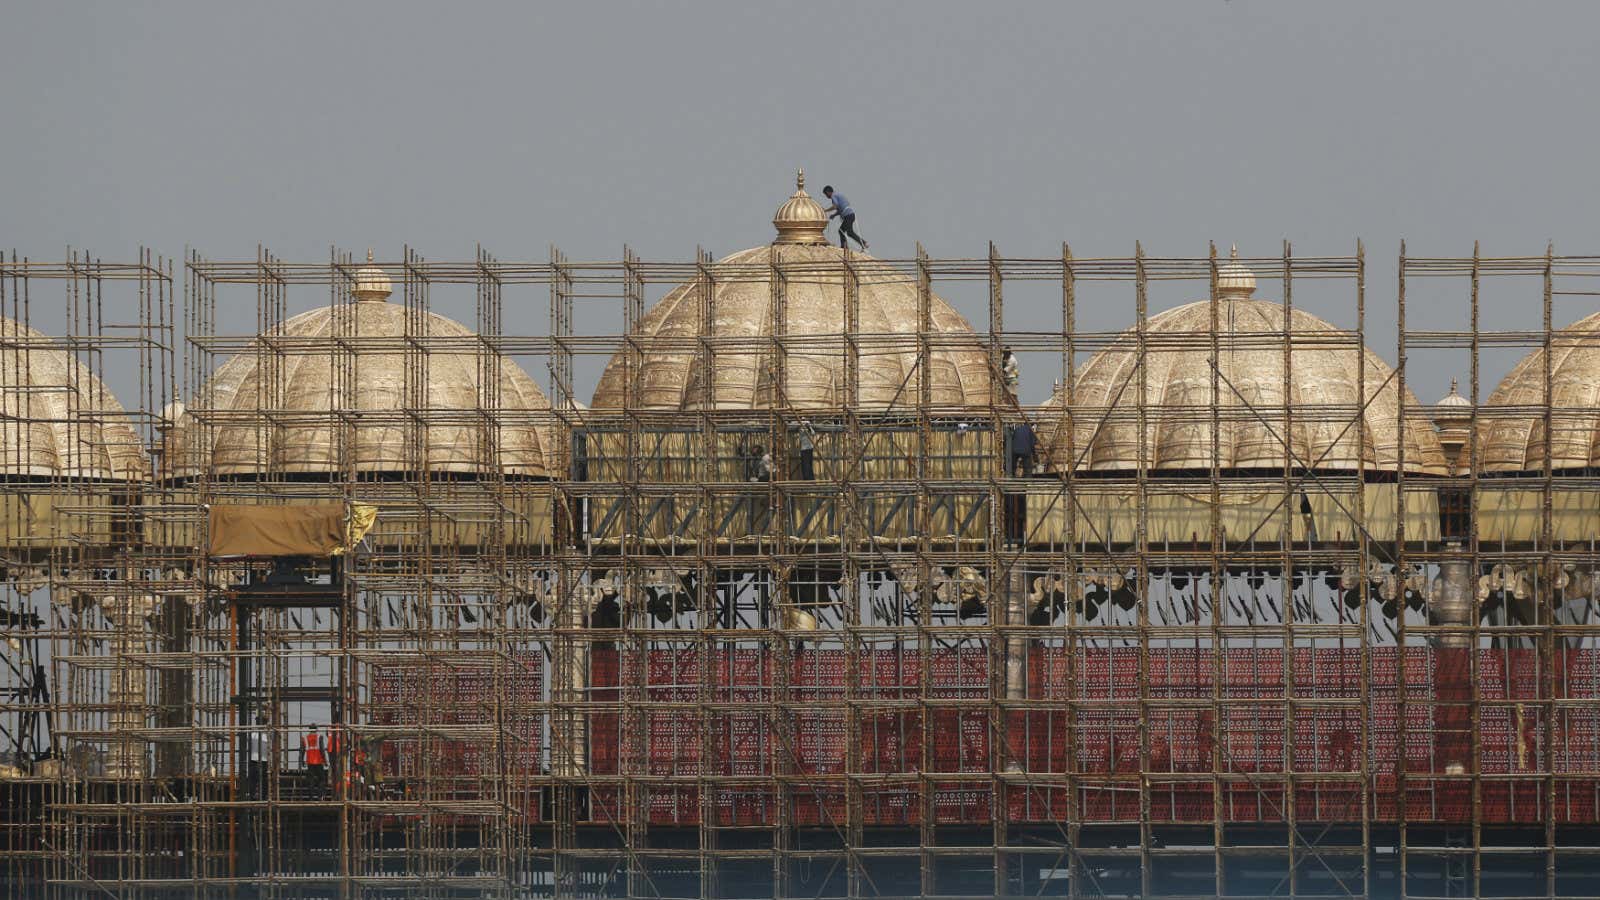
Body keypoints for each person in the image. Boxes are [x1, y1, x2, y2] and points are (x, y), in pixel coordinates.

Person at [821, 186, 867, 251]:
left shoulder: (833, 196)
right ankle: (844, 246)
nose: (826, 196)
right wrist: (834, 215)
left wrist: (826, 210)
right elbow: (841, 209)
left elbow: (835, 206)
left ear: (828, 192)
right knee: (841, 231)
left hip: (848, 216)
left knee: (849, 232)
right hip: (850, 215)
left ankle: (863, 243)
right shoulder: (838, 195)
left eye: (826, 194)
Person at [247, 716, 270, 800]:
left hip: (253, 760)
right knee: (264, 780)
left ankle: (252, 797)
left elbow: (249, 745)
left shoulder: (252, 734)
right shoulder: (268, 735)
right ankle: (263, 797)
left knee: (253, 780)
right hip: (264, 761)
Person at [302, 724, 326, 797]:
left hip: (309, 761)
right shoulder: (319, 737)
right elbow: (322, 750)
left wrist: (302, 761)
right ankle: (320, 795)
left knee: (311, 779)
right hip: (319, 761)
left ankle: (311, 796)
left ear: (309, 729)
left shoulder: (305, 738)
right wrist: (325, 760)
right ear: (316, 729)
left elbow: (302, 750)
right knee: (321, 779)